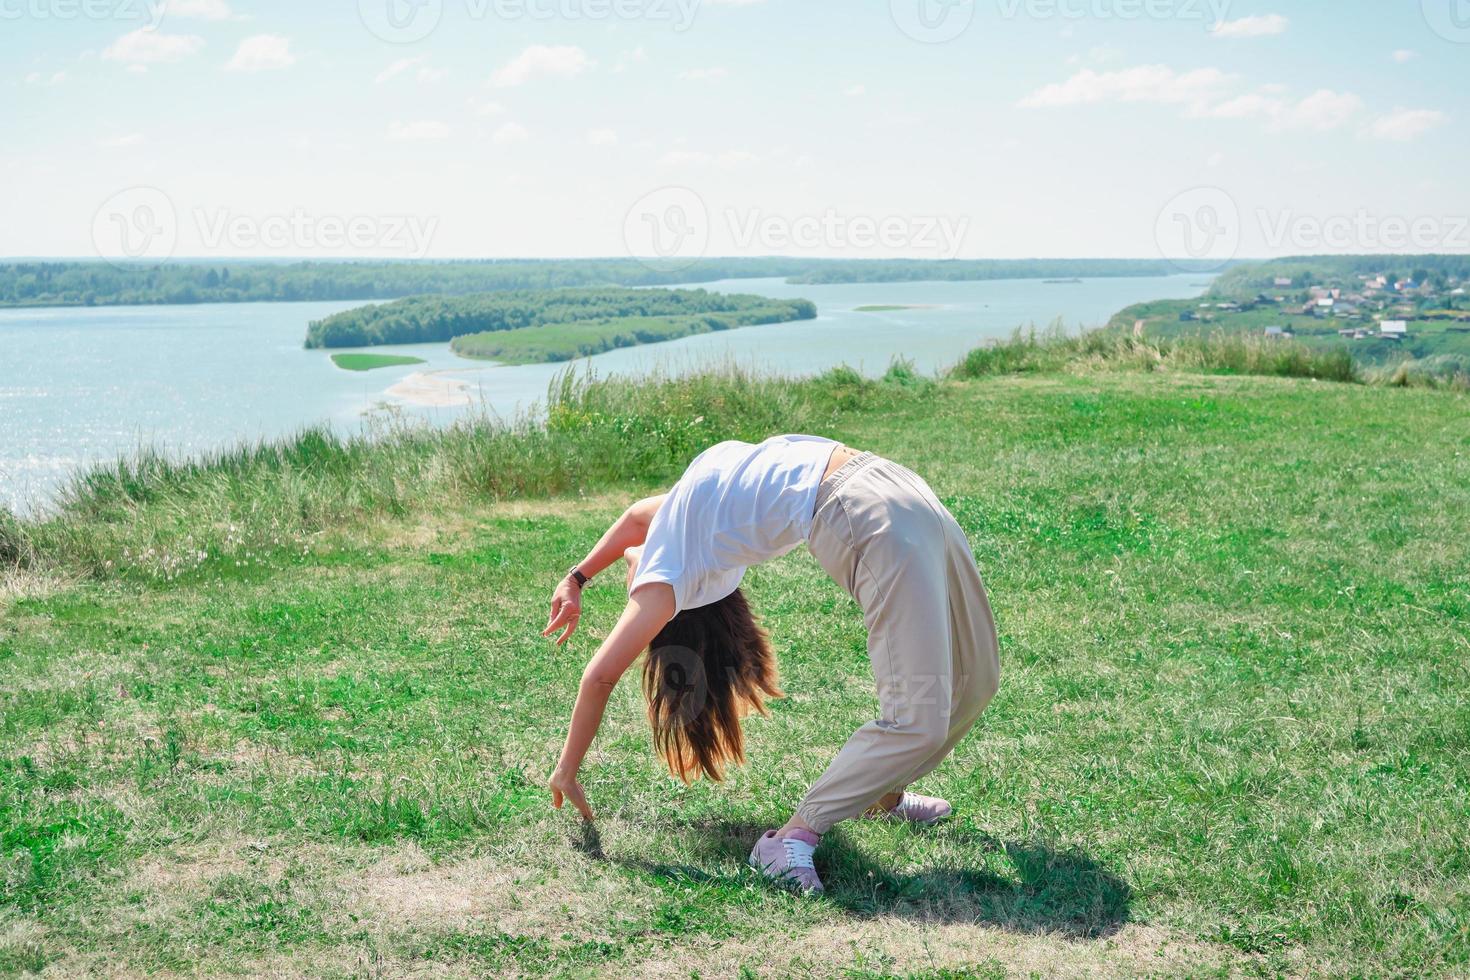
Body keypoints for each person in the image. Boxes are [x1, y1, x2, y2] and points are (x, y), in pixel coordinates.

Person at [542, 434, 1000, 894]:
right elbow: (599, 676)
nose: (631, 570)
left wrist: (576, 578)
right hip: (862, 507)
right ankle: (790, 839)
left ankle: (882, 792)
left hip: (891, 485)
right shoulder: (667, 579)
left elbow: (635, 519)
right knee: (916, 720)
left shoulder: (683, 516)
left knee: (978, 679)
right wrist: (566, 768)